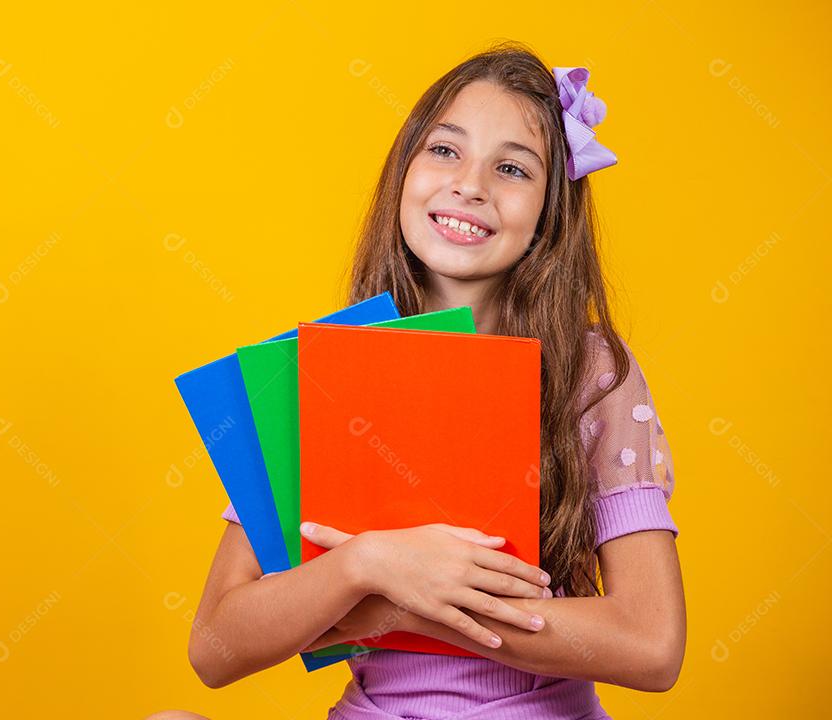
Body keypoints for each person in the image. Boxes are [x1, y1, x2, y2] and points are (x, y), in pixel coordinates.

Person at [150, 40, 685, 720]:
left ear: (550, 212)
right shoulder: (322, 369)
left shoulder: (593, 371)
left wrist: (426, 601)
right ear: (403, 170)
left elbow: (652, 644)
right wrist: (363, 566)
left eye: (513, 168)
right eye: (444, 150)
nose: (470, 184)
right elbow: (214, 648)